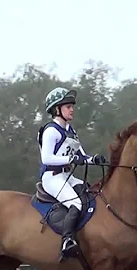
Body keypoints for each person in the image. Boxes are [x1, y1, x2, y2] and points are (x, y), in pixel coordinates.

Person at [37, 87, 107, 260]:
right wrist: (70, 159)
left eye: (71, 106)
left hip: (67, 177)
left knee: (89, 194)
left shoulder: (71, 131)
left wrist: (94, 160)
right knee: (75, 203)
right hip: (52, 178)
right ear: (56, 109)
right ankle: (66, 241)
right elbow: (46, 158)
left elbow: (81, 156)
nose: (72, 109)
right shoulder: (51, 130)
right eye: (68, 106)